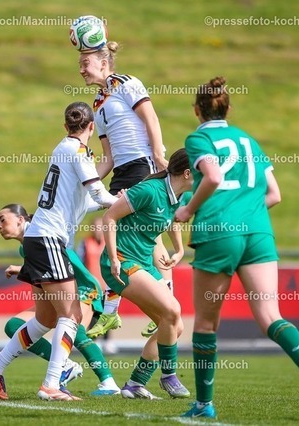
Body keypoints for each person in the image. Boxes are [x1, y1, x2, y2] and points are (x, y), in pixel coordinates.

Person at [174, 76, 299, 418]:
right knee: (270, 316)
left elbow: (213, 177)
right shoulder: (249, 140)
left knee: (205, 324)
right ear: (228, 108)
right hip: (258, 232)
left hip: (219, 231)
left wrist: (187, 210)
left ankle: (203, 405)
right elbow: (274, 194)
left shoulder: (199, 138)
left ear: (197, 110)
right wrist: (246, 212)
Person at [0, 101, 118, 401]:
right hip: (49, 239)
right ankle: (51, 384)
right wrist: (125, 202)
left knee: (45, 320)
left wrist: (111, 199)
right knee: (72, 314)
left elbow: (84, 201)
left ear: (65, 126)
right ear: (91, 127)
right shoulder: (77, 151)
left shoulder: (62, 149)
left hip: (39, 238)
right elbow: (98, 193)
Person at [78, 40, 173, 339]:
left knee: (145, 236)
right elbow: (107, 157)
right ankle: (116, 310)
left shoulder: (127, 83)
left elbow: (151, 117)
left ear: (103, 62)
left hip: (142, 165)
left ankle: (162, 301)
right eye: (79, 64)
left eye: (86, 63)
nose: (81, 69)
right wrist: (87, 182)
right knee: (118, 239)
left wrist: (158, 155)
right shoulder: (98, 103)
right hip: (121, 172)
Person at [0, 203, 121, 396]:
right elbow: (46, 270)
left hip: (84, 288)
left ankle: (108, 382)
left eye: (2, 220)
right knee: (14, 325)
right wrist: (23, 269)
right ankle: (66, 365)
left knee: (76, 331)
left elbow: (62, 264)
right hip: (59, 291)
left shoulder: (44, 232)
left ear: (20, 219)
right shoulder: (25, 248)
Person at [101, 148, 193, 400]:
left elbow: (172, 219)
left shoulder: (181, 195)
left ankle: (135, 384)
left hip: (143, 262)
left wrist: (179, 249)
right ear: (187, 173)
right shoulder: (149, 190)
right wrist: (113, 257)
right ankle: (169, 376)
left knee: (174, 326)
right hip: (121, 260)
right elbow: (109, 217)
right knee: (172, 310)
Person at [76, 216, 118, 354]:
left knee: (109, 313)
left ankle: (107, 341)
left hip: (108, 284)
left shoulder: (109, 243)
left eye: (100, 227)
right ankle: (94, 341)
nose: (98, 230)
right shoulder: (85, 243)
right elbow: (79, 263)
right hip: (92, 286)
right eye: (95, 227)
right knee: (93, 313)